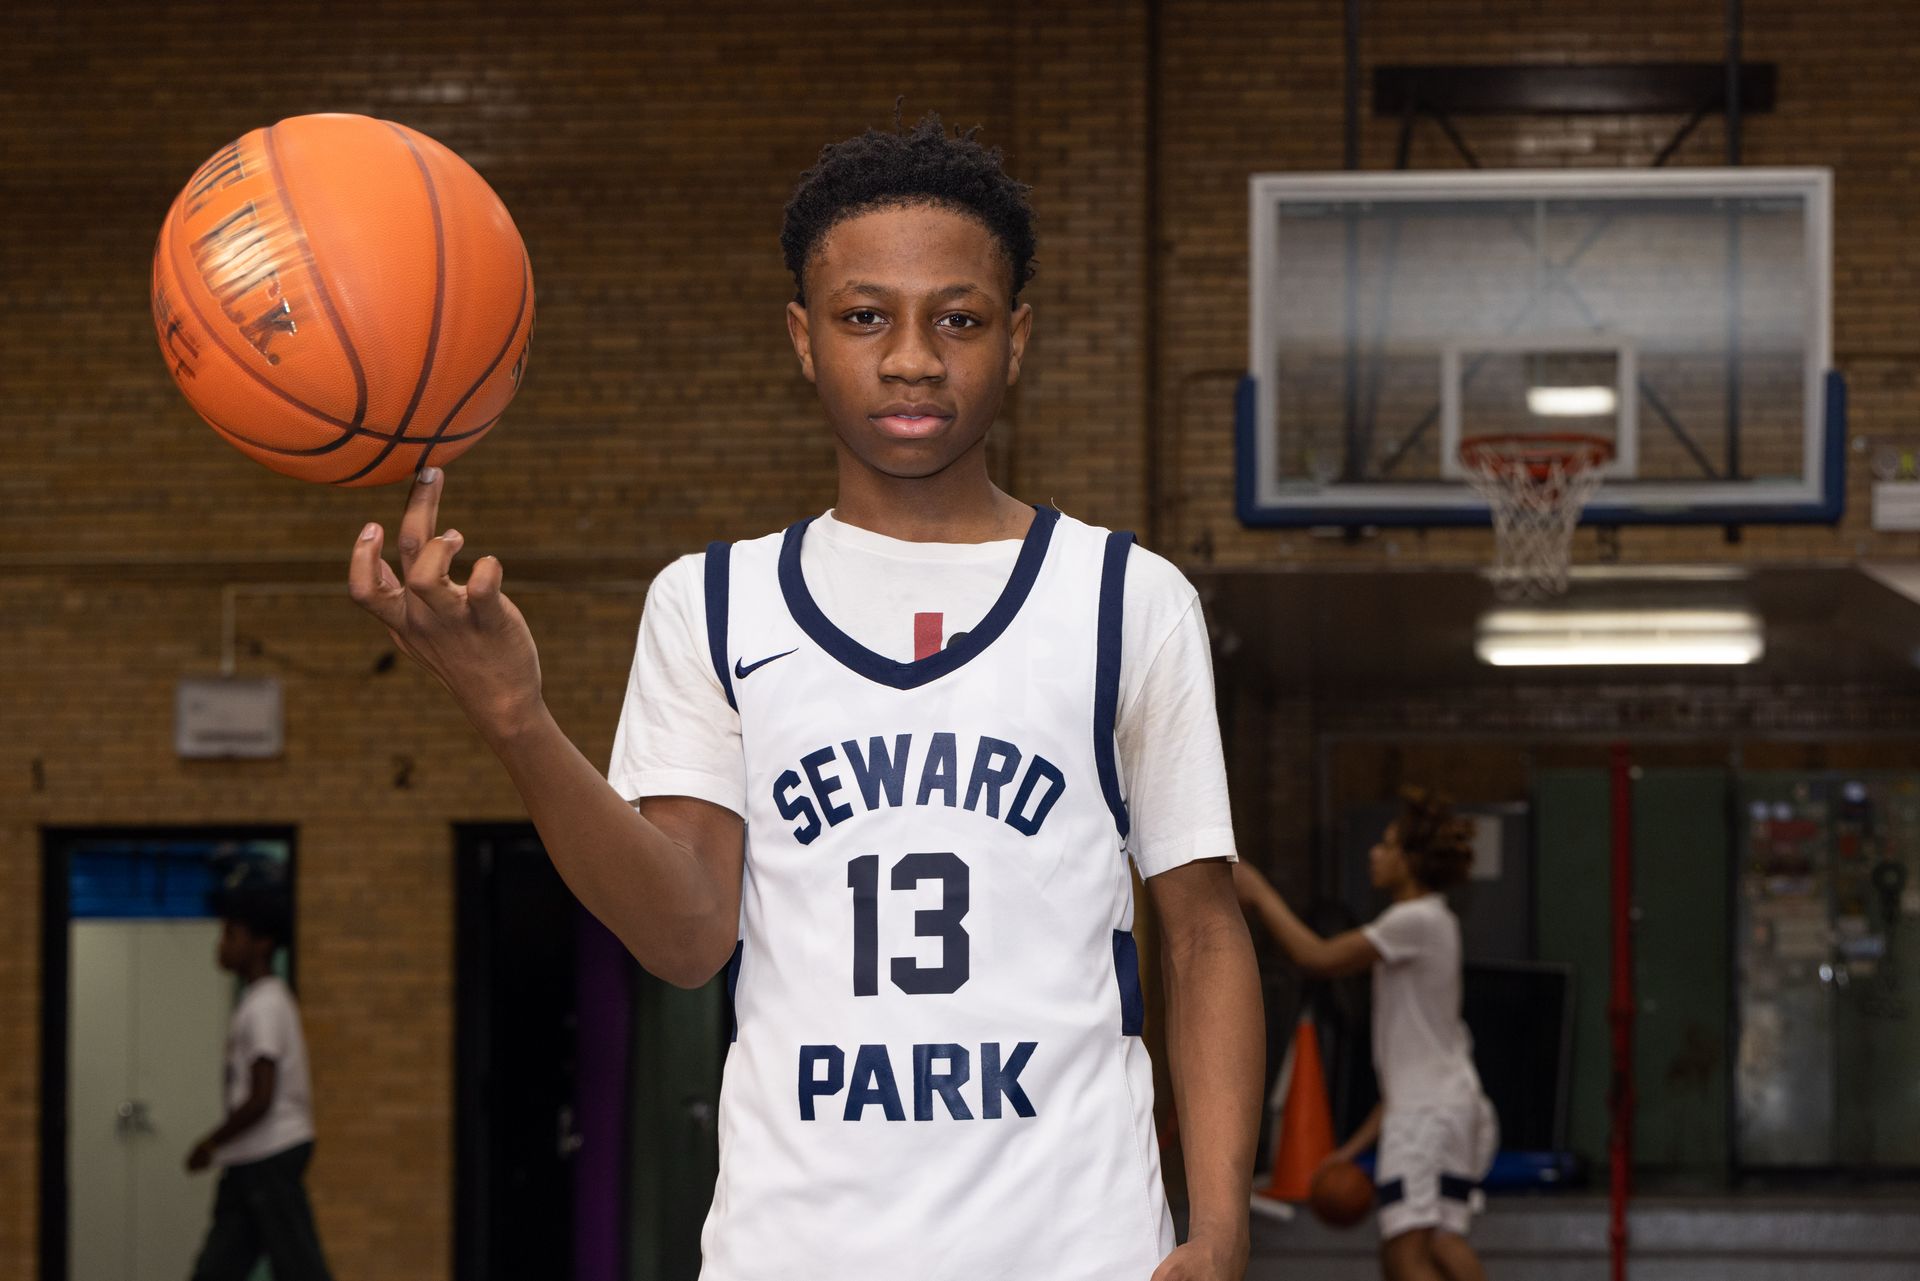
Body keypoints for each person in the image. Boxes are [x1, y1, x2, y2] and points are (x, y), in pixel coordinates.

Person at [347, 110, 1263, 1280]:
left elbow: (1202, 931)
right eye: (865, 315)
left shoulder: (1128, 599)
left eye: (960, 319)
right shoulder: (713, 602)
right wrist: (514, 717)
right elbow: (686, 938)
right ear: (802, 335)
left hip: (1077, 1249)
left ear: (1018, 338)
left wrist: (1222, 1225)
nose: (913, 357)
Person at [1233, 790, 1496, 1281]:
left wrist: (1259, 892)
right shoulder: (1437, 922)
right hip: (1446, 1109)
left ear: (1412, 861)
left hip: (1428, 1119)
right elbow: (1408, 1077)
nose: (1375, 852)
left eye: (1388, 844)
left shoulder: (1411, 921)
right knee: (1442, 1240)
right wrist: (1350, 1151)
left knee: (1404, 1256)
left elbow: (1318, 957)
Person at [185, 881, 333, 1281]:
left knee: (300, 1268)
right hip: (249, 1158)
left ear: (262, 943)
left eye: (232, 934)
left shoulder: (265, 1004)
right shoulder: (257, 1001)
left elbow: (262, 1096)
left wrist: (211, 1142)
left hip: (269, 1154)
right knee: (218, 1267)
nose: (222, 944)